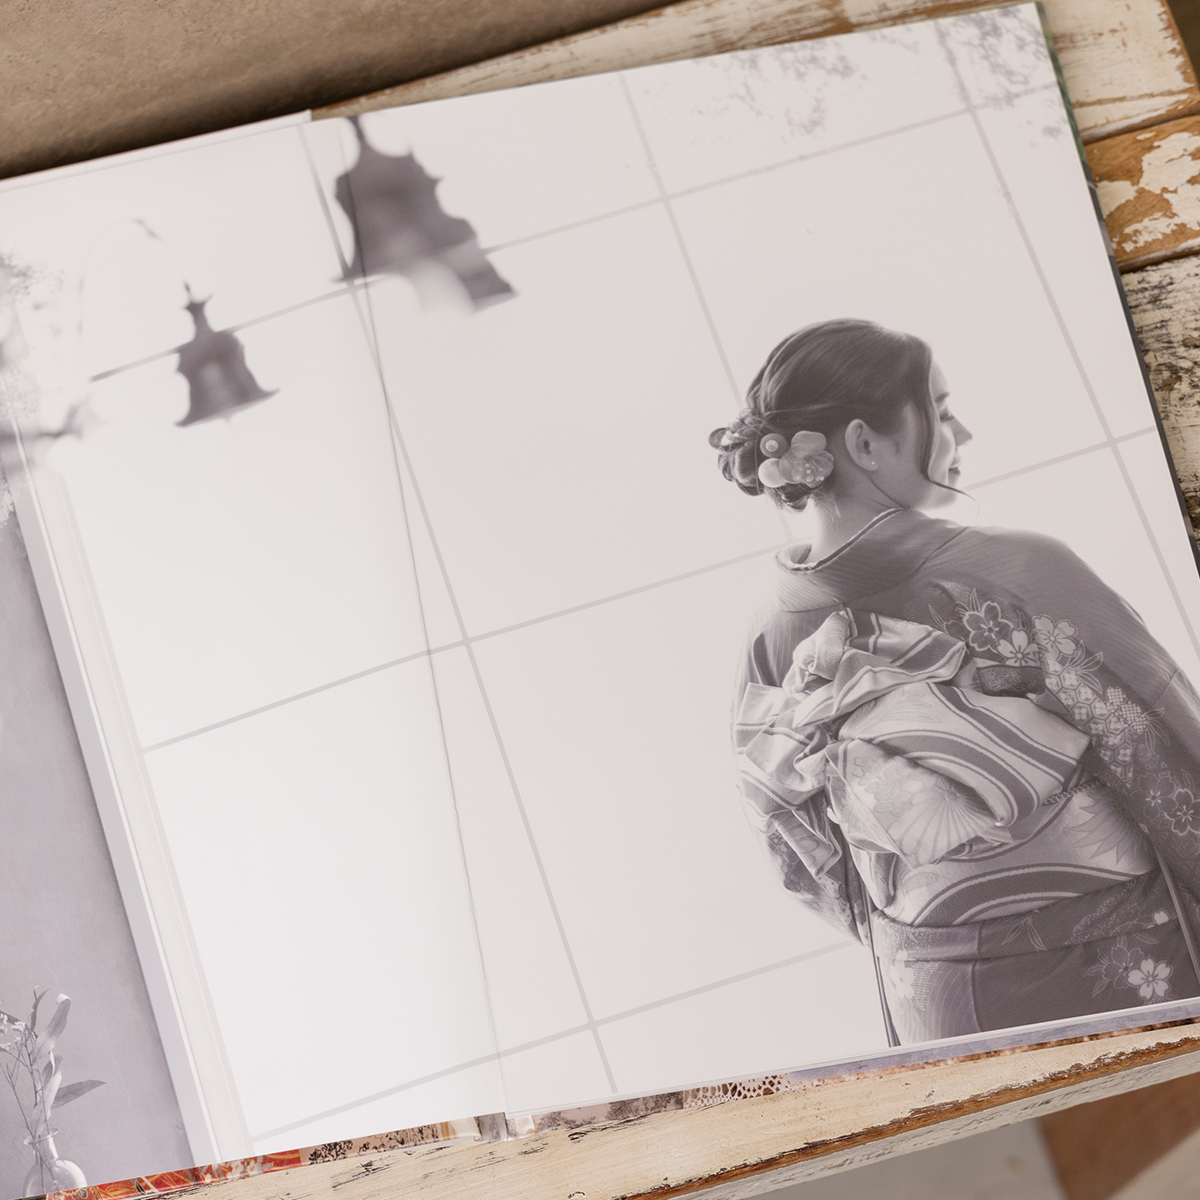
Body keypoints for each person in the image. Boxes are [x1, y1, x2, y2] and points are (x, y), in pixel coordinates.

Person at [710, 318, 1200, 1044]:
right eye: (939, 412)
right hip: (1111, 958)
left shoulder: (768, 632)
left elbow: (797, 848)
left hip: (930, 993)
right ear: (864, 443)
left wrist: (930, 923)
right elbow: (1156, 746)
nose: (960, 432)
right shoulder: (1019, 570)